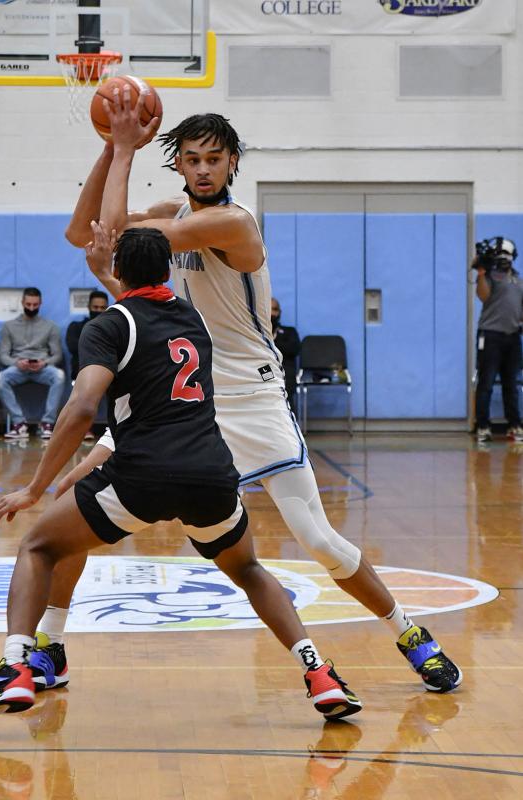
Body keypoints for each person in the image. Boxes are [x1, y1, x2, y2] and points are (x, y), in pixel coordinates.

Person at [62, 94, 462, 694]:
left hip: (252, 400)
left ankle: (410, 633)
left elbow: (116, 238)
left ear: (232, 164)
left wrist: (124, 149)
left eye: (214, 160)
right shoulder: (172, 210)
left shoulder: (233, 223)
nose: (202, 170)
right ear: (178, 165)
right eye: (192, 159)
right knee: (74, 508)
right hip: (185, 401)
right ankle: (45, 648)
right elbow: (82, 232)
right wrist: (106, 149)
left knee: (320, 542)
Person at [0, 225, 361, 724]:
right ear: (168, 271)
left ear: (118, 271)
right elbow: (144, 310)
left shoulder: (107, 326)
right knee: (248, 570)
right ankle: (319, 673)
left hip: (143, 475)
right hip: (211, 473)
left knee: (40, 545)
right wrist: (109, 269)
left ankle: (15, 668)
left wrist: (33, 488)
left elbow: (80, 408)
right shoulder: (195, 320)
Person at [0, 288, 65, 440]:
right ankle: (19, 423)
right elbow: (2, 355)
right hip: (18, 368)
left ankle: (47, 424)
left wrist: (44, 363)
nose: (31, 308)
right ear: (22, 303)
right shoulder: (9, 326)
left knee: (59, 376)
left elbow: (57, 355)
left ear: (40, 303)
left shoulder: (51, 326)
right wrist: (16, 363)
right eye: (28, 304)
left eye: (35, 305)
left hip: (42, 368)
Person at [473, 237, 523, 443]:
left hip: (512, 337)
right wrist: (481, 273)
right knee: (486, 383)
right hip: (490, 335)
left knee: (511, 384)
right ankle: (483, 426)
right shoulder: (490, 277)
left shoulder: (518, 281)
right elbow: (483, 296)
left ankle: (514, 425)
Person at [66, 290, 109, 380]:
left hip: (107, 377)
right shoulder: (75, 327)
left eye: (102, 308)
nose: (99, 310)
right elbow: (73, 347)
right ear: (89, 307)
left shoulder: (112, 330)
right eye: (95, 307)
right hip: (81, 376)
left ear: (107, 308)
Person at [271, 297, 301, 411]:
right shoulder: (256, 333)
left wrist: (272, 343)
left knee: (287, 409)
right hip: (263, 375)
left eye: (274, 309)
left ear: (279, 312)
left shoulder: (289, 332)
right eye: (268, 309)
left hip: (285, 377)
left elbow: (294, 349)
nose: (271, 313)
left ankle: (289, 427)